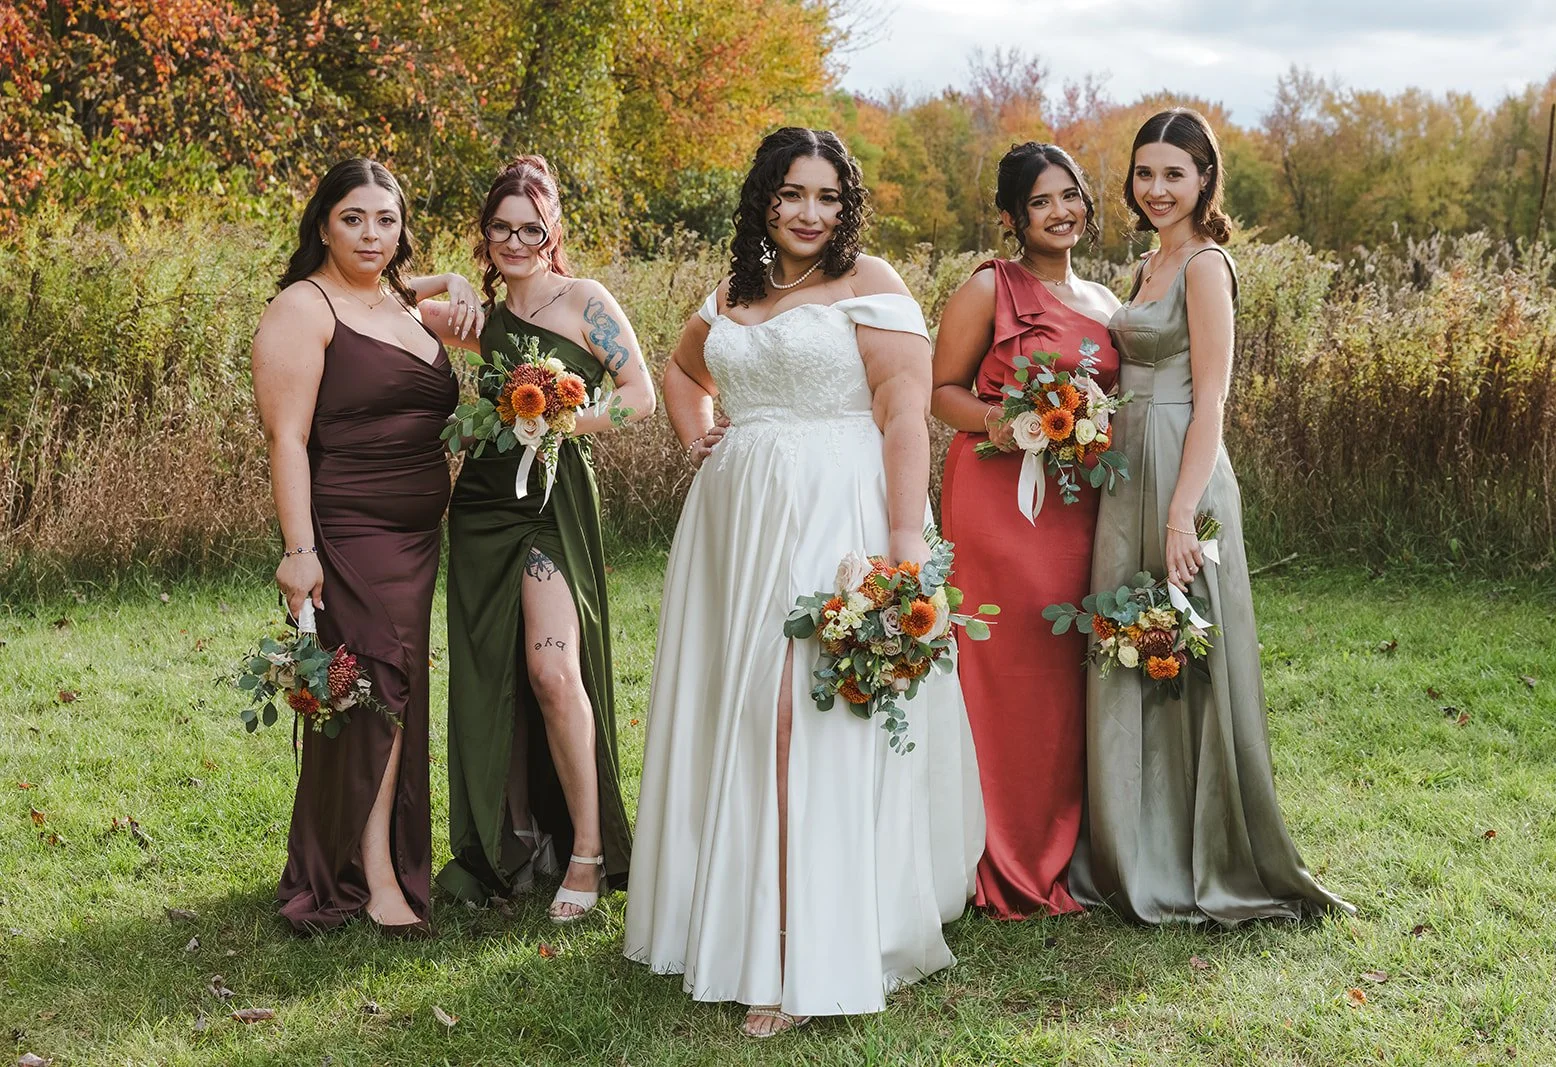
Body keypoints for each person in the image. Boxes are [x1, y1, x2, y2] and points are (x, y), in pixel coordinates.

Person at [623, 127, 984, 1037]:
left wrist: (904, 556)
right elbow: (680, 369)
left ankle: (795, 944)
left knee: (801, 711)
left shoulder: (876, 286)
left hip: (839, 514)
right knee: (739, 713)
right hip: (734, 523)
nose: (810, 213)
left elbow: (906, 420)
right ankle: (745, 919)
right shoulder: (735, 291)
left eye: (827, 196)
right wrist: (697, 433)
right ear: (765, 198)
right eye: (792, 194)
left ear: (846, 202)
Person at [1071, 109, 1355, 925]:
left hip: (1182, 473)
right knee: (1133, 644)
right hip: (1129, 467)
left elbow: (1213, 399)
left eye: (1174, 174)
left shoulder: (1204, 265)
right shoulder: (1147, 262)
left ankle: (1204, 851)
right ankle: (1134, 841)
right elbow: (1139, 371)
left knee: (1184, 648)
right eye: (1144, 173)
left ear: (1205, 179)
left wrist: (1181, 515)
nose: (1156, 189)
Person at [252, 158, 478, 936]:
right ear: (323, 223)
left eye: (387, 219)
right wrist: (298, 549)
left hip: (419, 536)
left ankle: (356, 852)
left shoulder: (393, 299)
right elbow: (286, 439)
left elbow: (431, 299)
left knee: (395, 687)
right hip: (350, 530)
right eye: (354, 218)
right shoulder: (302, 309)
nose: (372, 233)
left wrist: (450, 276)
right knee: (379, 687)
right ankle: (373, 874)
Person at [427, 156, 655, 923]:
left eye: (531, 227)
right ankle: (511, 839)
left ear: (553, 228)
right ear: (486, 234)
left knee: (552, 671)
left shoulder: (585, 302)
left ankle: (588, 851)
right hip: (485, 501)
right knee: (494, 667)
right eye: (502, 228)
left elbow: (641, 397)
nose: (517, 241)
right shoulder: (475, 317)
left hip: (554, 498)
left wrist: (561, 419)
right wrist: (451, 284)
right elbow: (381, 297)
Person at [931, 142, 1120, 919]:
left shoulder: (1109, 301)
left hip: (1076, 506)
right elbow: (939, 391)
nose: (1061, 212)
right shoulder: (988, 288)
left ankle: (1059, 846)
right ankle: (992, 855)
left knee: (1063, 671)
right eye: (1041, 201)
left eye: (1070, 195)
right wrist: (1001, 425)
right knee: (1000, 671)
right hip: (997, 498)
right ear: (1012, 217)